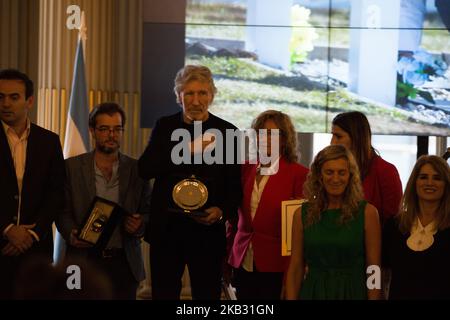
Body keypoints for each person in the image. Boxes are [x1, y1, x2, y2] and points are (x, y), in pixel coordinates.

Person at [138, 65, 242, 300]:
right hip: (167, 231)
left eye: (202, 93)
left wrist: (222, 211)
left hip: (207, 233)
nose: (196, 101)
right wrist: (186, 148)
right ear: (178, 96)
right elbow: (145, 169)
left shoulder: (227, 132)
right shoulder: (165, 126)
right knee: (164, 294)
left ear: (212, 96)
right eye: (189, 94)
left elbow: (235, 187)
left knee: (207, 296)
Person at [56, 102, 150, 300]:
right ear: (92, 130)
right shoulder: (71, 167)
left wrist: (140, 224)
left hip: (124, 261)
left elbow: (148, 211)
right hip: (83, 258)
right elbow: (61, 210)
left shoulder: (137, 169)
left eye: (117, 129)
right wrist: (71, 233)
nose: (111, 135)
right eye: (104, 129)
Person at [227, 110, 308, 300]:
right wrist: (228, 255)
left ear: (284, 139)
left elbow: (297, 231)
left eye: (272, 133)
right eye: (260, 133)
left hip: (276, 263)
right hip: (243, 257)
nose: (265, 139)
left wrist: (292, 274)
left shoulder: (299, 174)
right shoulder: (245, 168)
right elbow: (235, 217)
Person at [0, 69, 65, 299]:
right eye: (1, 97)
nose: (6, 103)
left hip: (36, 250)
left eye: (14, 97)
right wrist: (8, 230)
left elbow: (57, 193)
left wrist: (33, 234)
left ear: (29, 100)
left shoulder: (49, 141)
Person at [285, 145, 381, 300]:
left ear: (350, 175)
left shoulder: (368, 213)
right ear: (319, 175)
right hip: (313, 292)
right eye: (329, 172)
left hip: (353, 292)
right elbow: (295, 267)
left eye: (341, 172)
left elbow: (374, 268)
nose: (335, 179)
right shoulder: (301, 214)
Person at [382, 155, 450, 299]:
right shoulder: (394, 226)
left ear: (446, 185)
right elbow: (376, 268)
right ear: (414, 182)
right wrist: (373, 295)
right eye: (423, 177)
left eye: (437, 178)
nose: (429, 182)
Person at [330, 111, 402, 224]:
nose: (332, 142)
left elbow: (393, 222)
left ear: (356, 137)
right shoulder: (336, 170)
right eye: (332, 135)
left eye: (338, 136)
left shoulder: (386, 171)